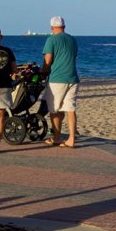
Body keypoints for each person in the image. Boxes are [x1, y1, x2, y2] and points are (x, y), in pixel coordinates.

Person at [42, 16, 81, 147]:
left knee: (54, 110)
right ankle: (71, 139)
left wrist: (43, 70)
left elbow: (48, 60)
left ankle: (57, 137)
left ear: (52, 27)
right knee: (70, 109)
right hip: (73, 78)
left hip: (57, 79)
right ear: (64, 26)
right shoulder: (72, 39)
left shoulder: (51, 39)